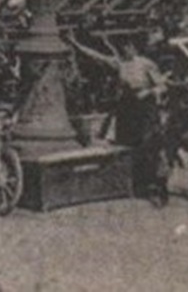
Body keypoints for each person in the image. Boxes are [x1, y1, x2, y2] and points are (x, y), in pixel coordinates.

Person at [70, 34, 170, 204]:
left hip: (145, 108)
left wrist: (149, 92)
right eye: (122, 48)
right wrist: (76, 45)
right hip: (127, 109)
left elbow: (162, 86)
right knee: (127, 144)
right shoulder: (120, 64)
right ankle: (134, 184)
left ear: (133, 47)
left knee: (148, 145)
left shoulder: (146, 64)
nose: (125, 50)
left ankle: (156, 185)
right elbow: (97, 57)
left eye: (128, 47)